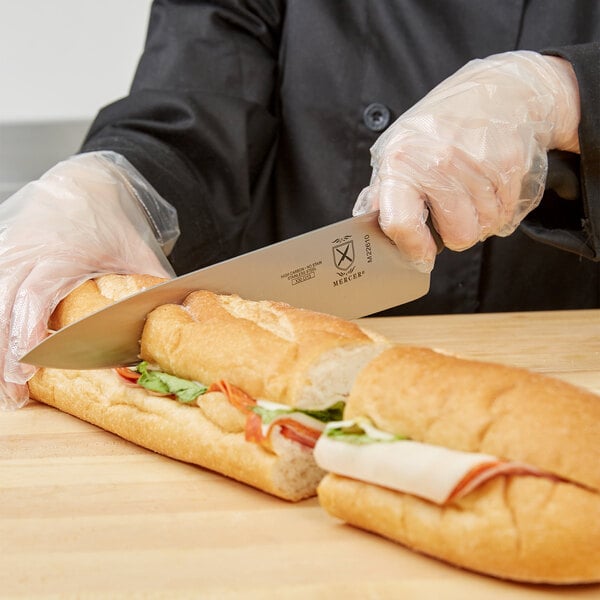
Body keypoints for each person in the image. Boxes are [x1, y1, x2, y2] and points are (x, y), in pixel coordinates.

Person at [1, 0, 599, 410]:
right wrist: (116, 181)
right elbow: (198, 88)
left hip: (564, 365)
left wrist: (568, 95)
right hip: (273, 375)